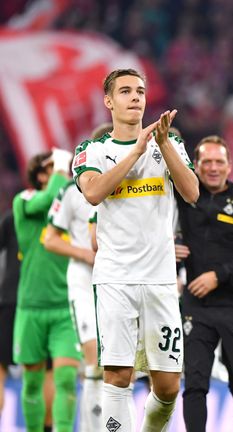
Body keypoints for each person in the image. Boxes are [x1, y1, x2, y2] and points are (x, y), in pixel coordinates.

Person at [73, 68, 199, 432]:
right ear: (109, 101)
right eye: (125, 91)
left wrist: (160, 145)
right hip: (115, 278)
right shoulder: (92, 150)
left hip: (160, 281)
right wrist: (136, 152)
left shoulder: (170, 144)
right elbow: (94, 192)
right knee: (117, 374)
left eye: (140, 91)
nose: (135, 97)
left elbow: (191, 193)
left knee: (168, 386)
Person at [175, 134, 233, 431]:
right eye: (207, 162)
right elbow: (156, 229)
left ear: (230, 166)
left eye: (219, 162)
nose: (213, 168)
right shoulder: (183, 198)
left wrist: (219, 275)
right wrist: (167, 248)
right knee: (194, 385)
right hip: (196, 306)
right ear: (196, 165)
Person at [42, 122, 111, 431]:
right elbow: (50, 238)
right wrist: (84, 254)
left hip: (118, 280)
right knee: (93, 360)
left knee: (118, 367)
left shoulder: (128, 186)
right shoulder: (71, 191)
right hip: (84, 281)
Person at [12, 150, 81, 431]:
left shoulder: (73, 207)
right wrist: (61, 168)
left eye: (61, 168)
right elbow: (48, 198)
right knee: (32, 381)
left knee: (66, 379)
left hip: (65, 308)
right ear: (40, 175)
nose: (60, 172)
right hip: (30, 308)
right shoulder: (25, 200)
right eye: (51, 168)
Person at [0, 209, 20, 418]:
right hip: (45, 301)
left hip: (10, 298)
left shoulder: (13, 216)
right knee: (43, 372)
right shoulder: (60, 214)